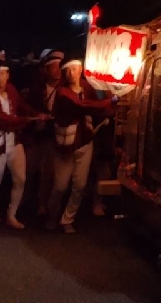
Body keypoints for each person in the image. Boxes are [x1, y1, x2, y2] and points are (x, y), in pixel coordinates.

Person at [47, 59, 115, 234]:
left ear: (80, 70)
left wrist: (110, 107)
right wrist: (110, 101)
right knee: (60, 185)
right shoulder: (63, 92)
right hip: (66, 145)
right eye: (68, 70)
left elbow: (95, 108)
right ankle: (52, 215)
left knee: (79, 185)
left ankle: (67, 219)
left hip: (84, 142)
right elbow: (84, 106)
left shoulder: (87, 87)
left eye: (74, 69)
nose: (71, 74)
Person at [0, 64, 47, 229]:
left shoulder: (11, 89)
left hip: (14, 140)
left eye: (2, 74)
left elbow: (21, 106)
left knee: (20, 178)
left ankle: (11, 214)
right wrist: (25, 120)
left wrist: (35, 114)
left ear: (8, 75)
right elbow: (1, 119)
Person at [24, 49, 64, 216]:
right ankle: (25, 202)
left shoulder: (65, 88)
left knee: (48, 172)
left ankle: (42, 203)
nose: (57, 70)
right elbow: (28, 107)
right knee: (29, 170)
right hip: (38, 135)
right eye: (53, 67)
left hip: (55, 136)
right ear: (46, 70)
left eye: (59, 67)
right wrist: (37, 116)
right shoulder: (37, 88)